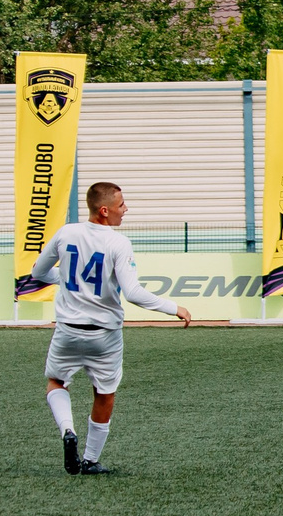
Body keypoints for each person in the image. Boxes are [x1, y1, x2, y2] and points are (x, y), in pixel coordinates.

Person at [28, 181, 193, 475]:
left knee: (56, 382)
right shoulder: (118, 243)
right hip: (104, 336)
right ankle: (90, 460)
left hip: (67, 330)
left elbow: (38, 272)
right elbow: (133, 293)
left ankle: (68, 430)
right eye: (121, 205)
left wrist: (67, 279)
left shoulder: (66, 233)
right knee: (104, 394)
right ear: (104, 211)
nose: (125, 209)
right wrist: (173, 307)